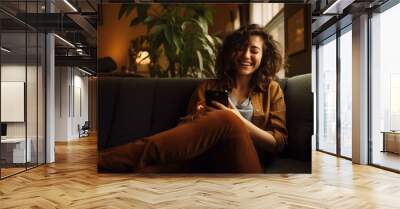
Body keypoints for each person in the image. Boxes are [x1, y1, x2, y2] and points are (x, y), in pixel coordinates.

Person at [98, 24, 288, 173]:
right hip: (205, 160)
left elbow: (278, 142)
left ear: (264, 56)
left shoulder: (272, 90)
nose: (246, 55)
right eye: (240, 49)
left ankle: (107, 157)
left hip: (246, 163)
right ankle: (109, 163)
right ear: (231, 52)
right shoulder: (209, 87)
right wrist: (199, 117)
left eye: (254, 50)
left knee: (228, 119)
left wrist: (237, 120)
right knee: (143, 172)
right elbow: (185, 132)